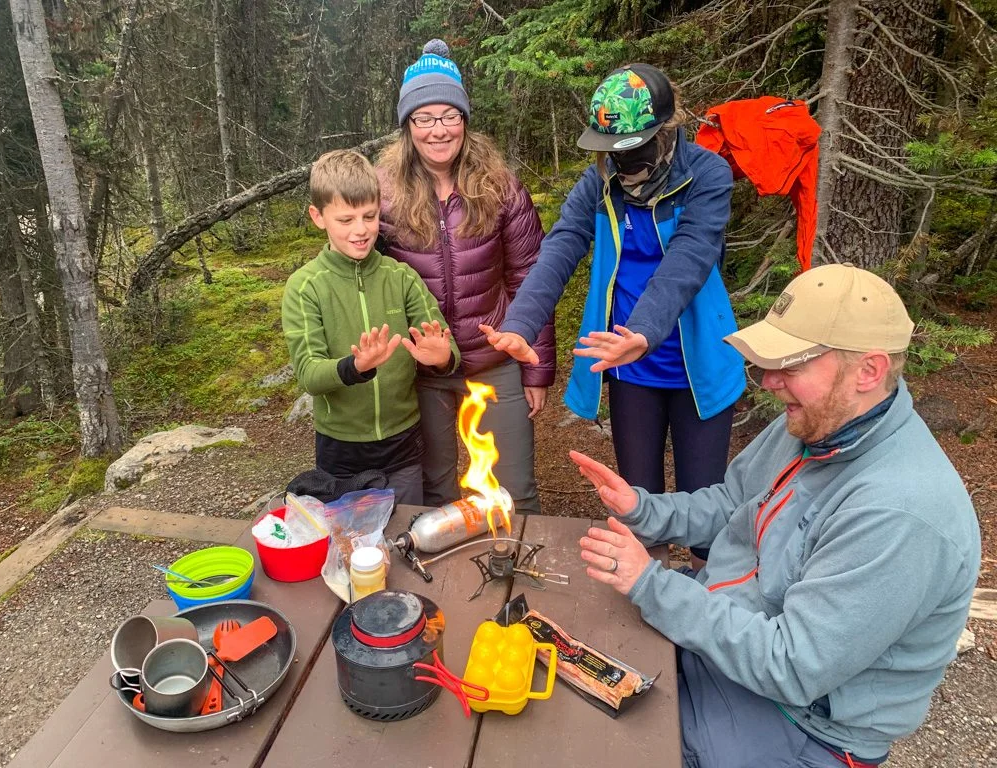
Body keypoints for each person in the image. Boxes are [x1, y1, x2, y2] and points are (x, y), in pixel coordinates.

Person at [571, 263, 981, 767]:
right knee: (575, 653)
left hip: (801, 723)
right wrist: (644, 508)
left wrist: (652, 585)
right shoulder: (814, 424)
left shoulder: (901, 511)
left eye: (790, 364)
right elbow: (730, 504)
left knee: (610, 750)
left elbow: (793, 665)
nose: (768, 380)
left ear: (869, 371)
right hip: (730, 637)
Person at [482, 63, 744, 562]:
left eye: (630, 151)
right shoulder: (600, 184)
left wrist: (645, 330)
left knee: (706, 511)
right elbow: (560, 247)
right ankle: (648, 605)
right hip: (628, 367)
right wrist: (520, 323)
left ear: (665, 131)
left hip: (701, 367)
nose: (620, 165)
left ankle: (711, 606)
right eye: (611, 153)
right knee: (638, 505)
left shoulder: (706, 175)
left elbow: (690, 256)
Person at [376, 39, 555, 516]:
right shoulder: (382, 193)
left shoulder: (500, 185)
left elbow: (529, 277)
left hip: (494, 361)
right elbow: (359, 271)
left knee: (515, 491)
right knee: (435, 493)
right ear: (407, 125)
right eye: (424, 118)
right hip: (423, 371)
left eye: (448, 115)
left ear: (464, 120)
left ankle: (522, 584)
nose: (438, 130)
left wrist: (536, 368)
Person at [281, 149, 460, 506]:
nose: (361, 230)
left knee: (405, 534)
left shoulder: (401, 276)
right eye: (345, 220)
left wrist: (441, 358)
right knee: (351, 544)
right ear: (318, 217)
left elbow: (445, 346)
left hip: (403, 443)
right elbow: (309, 375)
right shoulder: (305, 286)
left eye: (370, 216)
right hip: (341, 450)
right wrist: (355, 368)